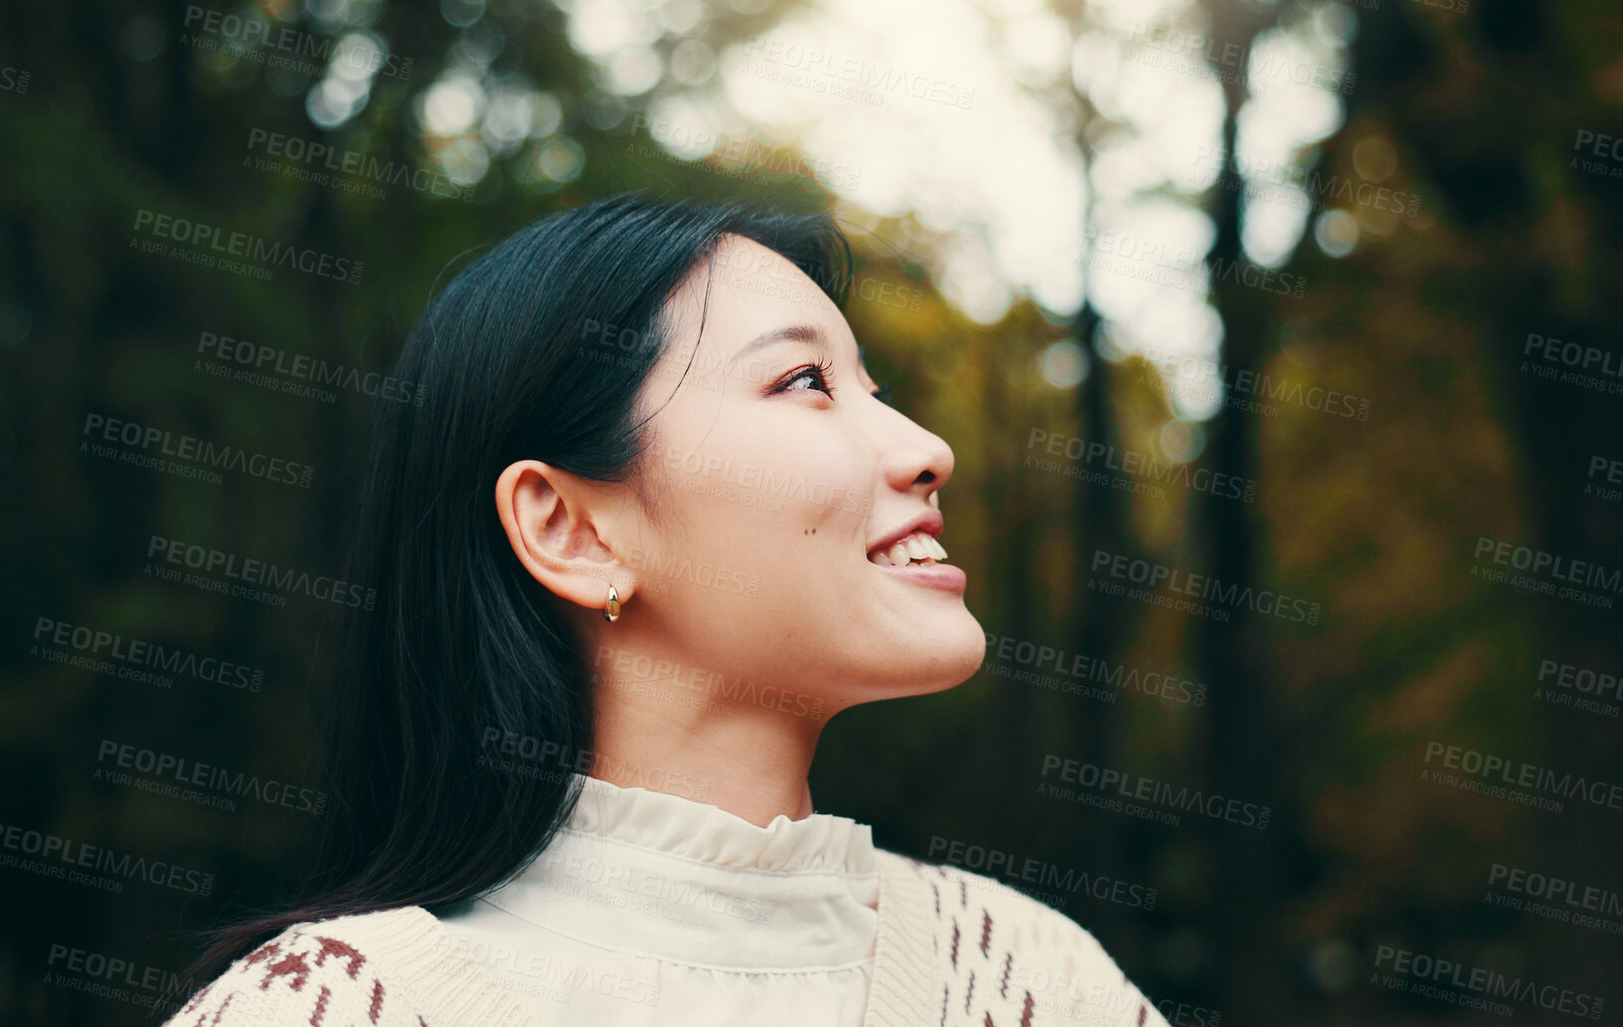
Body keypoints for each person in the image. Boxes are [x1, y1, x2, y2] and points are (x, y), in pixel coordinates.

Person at [157, 192, 1163, 1026]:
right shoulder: (329, 1008)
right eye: (806, 380)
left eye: (874, 385)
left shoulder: (1026, 979)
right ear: (571, 530)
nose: (926, 448)